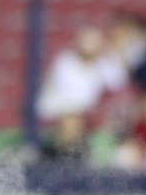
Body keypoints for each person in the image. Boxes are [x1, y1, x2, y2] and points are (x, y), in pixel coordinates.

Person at [36, 26, 127, 160]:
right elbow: (70, 93)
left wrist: (110, 53)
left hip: (83, 113)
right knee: (70, 121)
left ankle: (75, 154)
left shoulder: (100, 63)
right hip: (61, 108)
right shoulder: (66, 60)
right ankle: (61, 154)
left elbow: (118, 81)